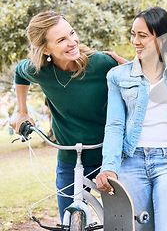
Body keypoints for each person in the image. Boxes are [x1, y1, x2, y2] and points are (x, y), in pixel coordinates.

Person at [9, 11, 119, 221]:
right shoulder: (39, 70)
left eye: (72, 33)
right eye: (61, 40)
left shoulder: (101, 63)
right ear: (44, 49)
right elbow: (19, 73)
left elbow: (136, 82)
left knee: (119, 221)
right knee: (67, 220)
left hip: (109, 158)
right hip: (70, 159)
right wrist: (22, 111)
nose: (72, 42)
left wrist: (128, 65)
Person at [96, 7, 167, 231]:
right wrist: (109, 166)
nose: (135, 41)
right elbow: (115, 125)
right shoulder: (118, 76)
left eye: (143, 35)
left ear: (162, 38)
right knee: (138, 228)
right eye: (133, 34)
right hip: (132, 161)